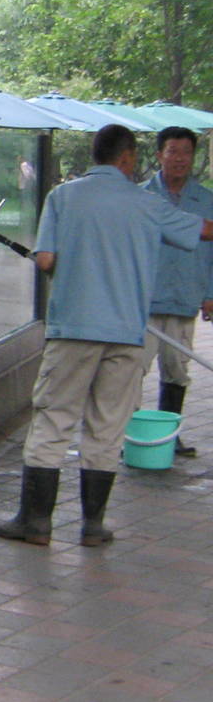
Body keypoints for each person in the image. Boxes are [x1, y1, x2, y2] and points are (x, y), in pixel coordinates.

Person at [0, 124, 213, 548]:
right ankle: (93, 526)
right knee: (107, 426)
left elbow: (45, 260)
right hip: (127, 333)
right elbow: (203, 230)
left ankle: (35, 522)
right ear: (127, 157)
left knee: (54, 420)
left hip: (74, 329)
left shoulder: (62, 197)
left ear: (96, 155)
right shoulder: (147, 203)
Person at [142, 126, 213, 458]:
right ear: (159, 155)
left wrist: (209, 293)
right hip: (145, 299)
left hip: (185, 296)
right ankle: (129, 434)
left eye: (186, 152)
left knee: (177, 369)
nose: (180, 159)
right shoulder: (141, 196)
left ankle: (168, 436)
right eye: (173, 151)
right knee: (132, 368)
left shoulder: (206, 200)